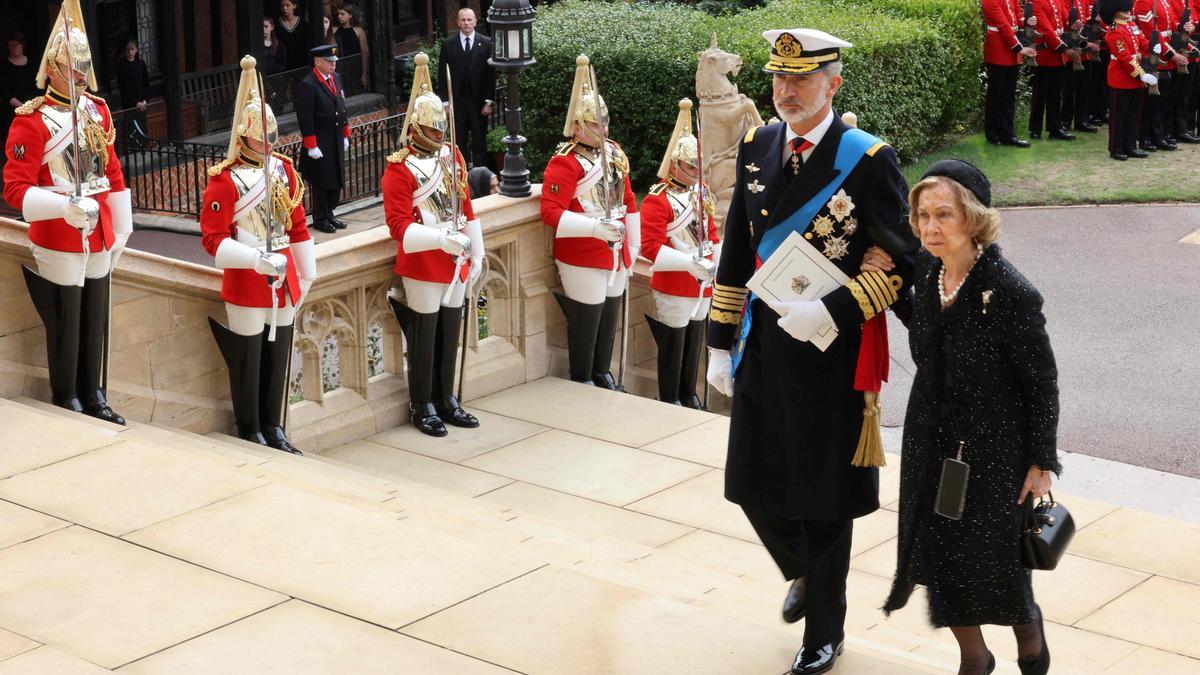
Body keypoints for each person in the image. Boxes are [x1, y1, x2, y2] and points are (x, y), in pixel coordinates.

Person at [704, 28, 918, 675]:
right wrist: (718, 341)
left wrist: (828, 308)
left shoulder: (867, 158)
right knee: (749, 484)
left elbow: (901, 263)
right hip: (764, 346)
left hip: (831, 357)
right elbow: (738, 252)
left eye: (800, 80)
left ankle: (824, 631)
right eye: (778, 77)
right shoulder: (757, 144)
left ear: (833, 85)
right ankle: (802, 570)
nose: (785, 90)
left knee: (824, 500)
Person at [870, 159, 1059, 675]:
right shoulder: (930, 270)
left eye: (943, 216)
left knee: (997, 560)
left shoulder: (1012, 292)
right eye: (923, 215)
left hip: (996, 447)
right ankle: (974, 658)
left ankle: (1030, 639)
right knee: (938, 551)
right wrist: (891, 287)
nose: (930, 227)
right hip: (932, 435)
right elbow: (934, 336)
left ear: (972, 218)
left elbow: (1041, 381)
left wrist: (1041, 462)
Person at [3, 0, 133, 424]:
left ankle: (93, 391)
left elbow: (112, 172)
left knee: (94, 313)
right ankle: (67, 393)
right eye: (73, 68)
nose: (80, 76)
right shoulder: (31, 120)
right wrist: (62, 206)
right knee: (66, 316)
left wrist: (123, 228)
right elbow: (16, 190)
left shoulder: (97, 111)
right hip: (59, 230)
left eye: (84, 68)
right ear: (54, 68)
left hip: (98, 229)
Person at [200, 56, 316, 455]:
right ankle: (250, 427)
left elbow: (297, 225)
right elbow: (214, 240)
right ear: (244, 136)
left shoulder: (284, 170)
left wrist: (308, 273)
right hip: (248, 276)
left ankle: (275, 424)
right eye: (261, 136)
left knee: (278, 352)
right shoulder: (225, 179)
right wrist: (253, 260)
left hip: (284, 276)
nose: (269, 142)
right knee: (248, 359)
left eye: (272, 134)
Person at [382, 53, 483, 437]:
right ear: (416, 128)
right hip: (425, 259)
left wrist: (478, 250)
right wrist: (441, 238)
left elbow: (466, 207)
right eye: (434, 130)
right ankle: (421, 403)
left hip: (456, 257)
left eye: (443, 130)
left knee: (449, 329)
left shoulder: (451, 156)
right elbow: (399, 226)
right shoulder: (399, 168)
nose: (441, 137)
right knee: (424, 336)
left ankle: (447, 397)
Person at [540, 54, 639, 390]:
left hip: (617, 247)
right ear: (579, 126)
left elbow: (628, 199)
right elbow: (551, 212)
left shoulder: (614, 152)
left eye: (606, 122)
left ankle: (602, 372)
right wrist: (594, 228)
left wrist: (634, 244)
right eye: (597, 124)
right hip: (583, 249)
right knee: (588, 316)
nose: (604, 129)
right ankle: (582, 376)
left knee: (609, 315)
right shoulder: (564, 162)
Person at [640, 98, 718, 408]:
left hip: (702, 283)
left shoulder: (702, 191)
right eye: (690, 166)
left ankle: (689, 393)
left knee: (694, 343)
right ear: (675, 164)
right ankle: (670, 397)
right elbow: (650, 247)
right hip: (675, 283)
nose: (696, 172)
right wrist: (689, 262)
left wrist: (712, 262)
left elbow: (710, 233)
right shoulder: (657, 200)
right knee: (673, 346)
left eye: (699, 166)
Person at [296, 44, 349, 234]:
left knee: (336, 178)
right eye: (328, 61)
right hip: (320, 141)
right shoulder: (308, 84)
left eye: (334, 62)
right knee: (322, 180)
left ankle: (330, 213)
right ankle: (320, 218)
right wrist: (311, 145)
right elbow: (305, 116)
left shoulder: (336, 78)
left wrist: (345, 133)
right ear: (318, 62)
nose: (333, 65)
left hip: (334, 137)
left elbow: (342, 107)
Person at [436, 7, 496, 168]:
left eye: (469, 19)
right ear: (458, 22)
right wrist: (445, 104)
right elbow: (442, 75)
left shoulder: (486, 42)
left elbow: (491, 75)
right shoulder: (448, 45)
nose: (466, 23)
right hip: (457, 102)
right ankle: (462, 176)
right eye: (463, 20)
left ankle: (480, 174)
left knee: (479, 140)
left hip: (478, 102)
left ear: (475, 22)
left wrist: (489, 102)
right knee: (459, 141)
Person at [1104, 0, 1155, 159]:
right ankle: (1116, 148)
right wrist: (1141, 74)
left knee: (1133, 114)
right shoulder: (1114, 31)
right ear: (1114, 11)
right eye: (1124, 9)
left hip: (1135, 76)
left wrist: (1154, 45)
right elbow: (1124, 57)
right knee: (1120, 116)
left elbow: (1142, 42)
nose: (1128, 11)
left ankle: (1130, 146)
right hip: (1121, 77)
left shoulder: (1131, 24)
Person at [982, 0, 1036, 146]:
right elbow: (1003, 25)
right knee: (996, 94)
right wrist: (1019, 48)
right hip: (999, 49)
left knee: (1008, 95)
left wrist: (1026, 21)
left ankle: (1007, 134)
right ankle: (992, 133)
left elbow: (1017, 12)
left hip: (1012, 50)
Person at [1135, 0, 1183, 150]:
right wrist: (1170, 53)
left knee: (1163, 100)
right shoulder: (1144, 3)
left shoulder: (1163, 2)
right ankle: (1146, 136)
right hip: (1154, 55)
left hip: (1166, 54)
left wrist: (1184, 27)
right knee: (1151, 101)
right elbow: (1152, 33)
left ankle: (1159, 134)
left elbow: (1172, 25)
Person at [1029, 0, 1077, 139]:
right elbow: (1045, 29)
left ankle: (1055, 128)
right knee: (1040, 92)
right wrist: (1063, 49)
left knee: (1055, 93)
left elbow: (1064, 20)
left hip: (1057, 53)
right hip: (1045, 52)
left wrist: (1074, 25)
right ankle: (1035, 129)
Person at [1061, 0, 1103, 133]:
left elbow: (1085, 23)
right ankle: (1065, 120)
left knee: (1084, 86)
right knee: (1069, 87)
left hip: (1084, 51)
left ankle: (1081, 120)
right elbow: (1064, 24)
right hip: (1071, 49)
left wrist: (1088, 41)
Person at [2, 33, 39, 145]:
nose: (13, 48)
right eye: (10, 46)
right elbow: (4, 89)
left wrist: (33, 105)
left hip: (33, 108)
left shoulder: (32, 63)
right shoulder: (4, 65)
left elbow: (38, 85)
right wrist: (18, 104)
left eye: (15, 45)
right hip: (12, 110)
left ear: (22, 45)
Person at [333, 4, 368, 88]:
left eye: (342, 14)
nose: (339, 16)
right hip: (340, 67)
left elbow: (365, 53)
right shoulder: (334, 30)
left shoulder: (358, 31)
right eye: (338, 14)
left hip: (355, 67)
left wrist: (365, 74)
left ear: (350, 15)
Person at [274, 0, 312, 71]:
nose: (284, 8)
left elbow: (308, 43)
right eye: (282, 6)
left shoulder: (302, 22)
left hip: (302, 62)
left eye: (287, 5)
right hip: (284, 63)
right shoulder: (276, 23)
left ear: (294, 6)